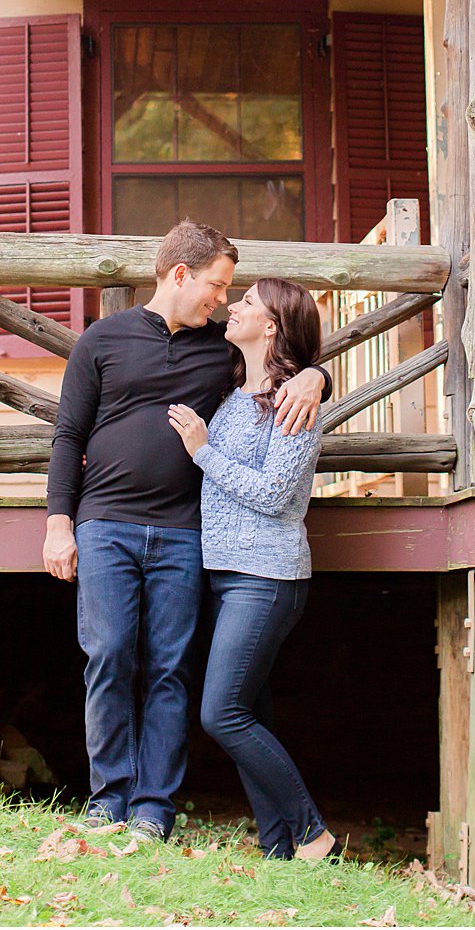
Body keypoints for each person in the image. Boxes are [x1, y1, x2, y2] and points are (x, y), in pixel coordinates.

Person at [42, 221, 330, 844]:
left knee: (170, 668)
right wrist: (58, 523)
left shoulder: (220, 350)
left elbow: (282, 361)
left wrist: (318, 376)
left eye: (231, 293)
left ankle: (153, 810)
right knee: (110, 656)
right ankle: (108, 799)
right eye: (218, 286)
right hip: (105, 526)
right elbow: (67, 436)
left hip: (182, 535)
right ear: (180, 275)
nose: (223, 301)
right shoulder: (101, 340)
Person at [168, 278, 339, 862]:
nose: (232, 306)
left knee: (222, 713)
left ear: (271, 327)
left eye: (247, 303)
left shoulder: (296, 401)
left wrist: (202, 452)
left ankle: (311, 831)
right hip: (221, 573)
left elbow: (272, 494)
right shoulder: (234, 394)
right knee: (249, 712)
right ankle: (277, 847)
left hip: (265, 578)